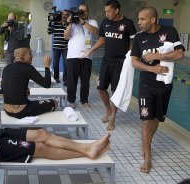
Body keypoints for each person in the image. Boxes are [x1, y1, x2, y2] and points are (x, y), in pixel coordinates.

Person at [131, 6, 184, 173]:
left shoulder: (169, 31)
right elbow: (134, 61)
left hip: (164, 85)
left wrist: (157, 56)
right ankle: (147, 157)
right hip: (146, 84)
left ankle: (146, 143)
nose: (139, 22)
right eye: (139, 19)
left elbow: (180, 54)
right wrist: (152, 69)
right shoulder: (139, 37)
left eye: (142, 19)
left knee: (156, 120)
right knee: (146, 121)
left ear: (152, 20)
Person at [82, 0, 137, 131]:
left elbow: (133, 41)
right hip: (106, 61)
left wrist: (130, 56)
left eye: (108, 11)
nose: (106, 13)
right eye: (105, 11)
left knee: (115, 91)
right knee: (101, 88)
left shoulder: (127, 23)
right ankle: (108, 110)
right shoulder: (105, 23)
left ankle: (112, 117)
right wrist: (90, 50)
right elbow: (102, 38)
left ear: (116, 10)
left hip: (120, 63)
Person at [2, 48, 58, 119]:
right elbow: (47, 84)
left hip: (7, 110)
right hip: (22, 111)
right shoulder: (28, 68)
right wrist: (47, 66)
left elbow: (5, 89)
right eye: (30, 54)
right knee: (55, 102)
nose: (32, 56)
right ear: (23, 56)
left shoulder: (6, 68)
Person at [64, 3, 98, 109]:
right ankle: (71, 101)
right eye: (80, 11)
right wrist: (70, 23)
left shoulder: (92, 22)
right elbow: (66, 36)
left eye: (83, 11)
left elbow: (95, 31)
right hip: (72, 56)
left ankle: (84, 100)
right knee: (71, 80)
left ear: (87, 12)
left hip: (87, 56)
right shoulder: (72, 22)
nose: (81, 13)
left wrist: (82, 22)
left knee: (85, 81)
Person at [47, 9, 69, 85]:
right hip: (56, 47)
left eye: (66, 14)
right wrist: (50, 23)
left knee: (66, 64)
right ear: (61, 15)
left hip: (66, 47)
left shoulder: (69, 24)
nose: (64, 16)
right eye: (63, 14)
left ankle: (65, 80)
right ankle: (56, 78)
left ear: (68, 16)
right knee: (55, 63)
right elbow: (49, 32)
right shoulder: (55, 23)